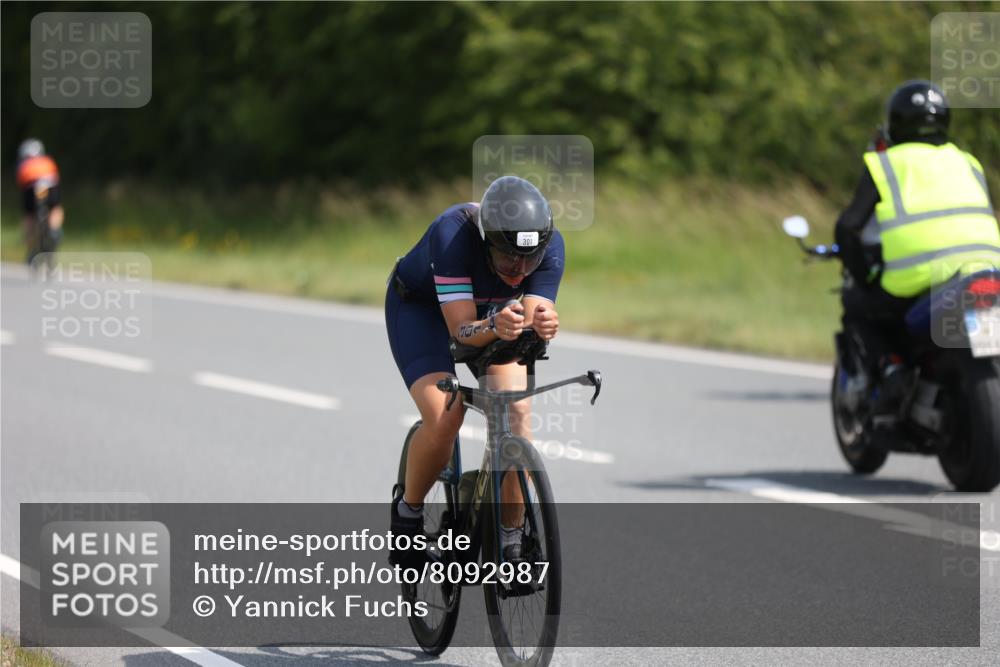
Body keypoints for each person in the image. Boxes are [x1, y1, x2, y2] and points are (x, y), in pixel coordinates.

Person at [384, 175, 565, 563]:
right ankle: (408, 517)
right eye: (506, 259)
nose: (518, 271)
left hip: (490, 317)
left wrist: (542, 324)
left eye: (528, 260)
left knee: (516, 414)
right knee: (447, 415)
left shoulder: (550, 247)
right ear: (486, 244)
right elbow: (461, 332)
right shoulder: (453, 234)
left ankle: (510, 541)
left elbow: (530, 319)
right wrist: (496, 324)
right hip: (425, 313)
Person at [834, 80, 1000, 412]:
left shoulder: (885, 163)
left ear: (894, 123)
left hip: (918, 279)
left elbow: (849, 227)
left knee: (856, 305)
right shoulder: (968, 163)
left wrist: (864, 275)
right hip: (985, 271)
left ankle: (892, 367)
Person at [15, 138, 64, 264]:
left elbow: (21, 183)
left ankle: (30, 242)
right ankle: (54, 229)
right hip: (50, 186)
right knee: (55, 208)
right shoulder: (47, 161)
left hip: (31, 188)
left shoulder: (23, 165)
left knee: (29, 215)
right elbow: (56, 178)